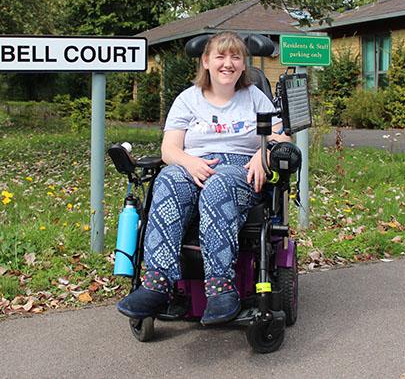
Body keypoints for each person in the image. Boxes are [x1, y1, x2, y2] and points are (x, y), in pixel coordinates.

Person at [117, 31, 289, 325]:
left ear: (244, 64)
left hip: (239, 169)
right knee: (167, 180)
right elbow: (169, 148)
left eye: (236, 57)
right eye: (220, 56)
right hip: (190, 164)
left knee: (218, 186)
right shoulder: (188, 100)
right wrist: (189, 162)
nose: (228, 63)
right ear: (206, 61)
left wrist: (263, 155)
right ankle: (157, 283)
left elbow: (281, 136)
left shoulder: (254, 98)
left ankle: (221, 288)